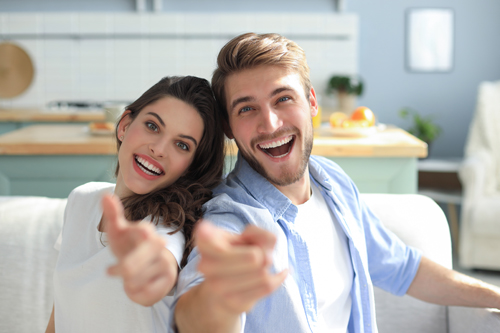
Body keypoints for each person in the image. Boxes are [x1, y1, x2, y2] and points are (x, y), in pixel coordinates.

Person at [172, 33, 500, 333]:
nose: (269, 124)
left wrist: (494, 295)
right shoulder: (230, 218)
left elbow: (401, 267)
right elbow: (198, 307)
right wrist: (216, 301)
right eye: (246, 108)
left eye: (283, 99)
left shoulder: (332, 181)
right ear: (229, 127)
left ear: (312, 103)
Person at [45, 76, 225, 333]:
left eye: (182, 145)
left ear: (190, 168)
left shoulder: (169, 227)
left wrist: (149, 273)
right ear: (125, 125)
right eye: (153, 126)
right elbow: (60, 313)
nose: (159, 148)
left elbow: (159, 269)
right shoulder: (81, 200)